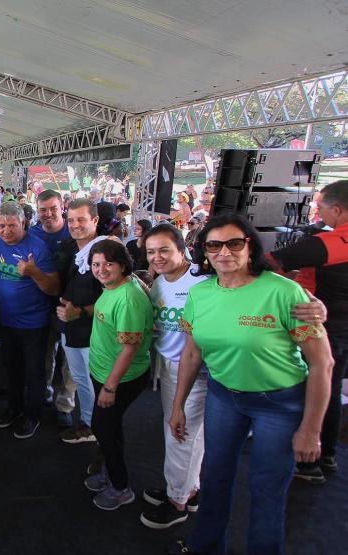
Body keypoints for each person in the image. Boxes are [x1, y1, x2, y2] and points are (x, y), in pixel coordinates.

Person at [168, 214, 333, 555]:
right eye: (214, 245)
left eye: (234, 243)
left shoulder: (284, 291)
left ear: (250, 246)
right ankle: (206, 546)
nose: (224, 252)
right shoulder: (200, 294)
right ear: (204, 251)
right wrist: (178, 405)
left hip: (280, 404)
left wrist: (311, 429)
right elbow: (191, 354)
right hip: (223, 396)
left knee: (266, 489)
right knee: (215, 479)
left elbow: (322, 363)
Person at [267, 179, 348, 484]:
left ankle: (308, 459)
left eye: (321, 208)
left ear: (337, 210)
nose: (317, 213)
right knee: (331, 387)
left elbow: (271, 262)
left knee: (312, 390)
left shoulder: (329, 244)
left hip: (323, 329)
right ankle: (325, 455)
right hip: (340, 328)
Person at [138, 225, 208, 529]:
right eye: (151, 252)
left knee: (182, 434)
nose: (157, 257)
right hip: (167, 366)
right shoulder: (159, 283)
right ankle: (186, 489)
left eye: (164, 250)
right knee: (179, 431)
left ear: (182, 249)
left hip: (194, 372)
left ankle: (178, 501)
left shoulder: (203, 281)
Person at [82, 240, 153, 511]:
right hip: (105, 371)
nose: (101, 270)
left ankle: (121, 487)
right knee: (110, 427)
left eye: (108, 264)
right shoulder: (117, 286)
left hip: (120, 378)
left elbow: (130, 348)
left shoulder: (128, 299)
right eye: (96, 264)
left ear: (122, 265)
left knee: (103, 428)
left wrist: (110, 387)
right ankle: (111, 472)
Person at [0, 201, 60, 439]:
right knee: (12, 369)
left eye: (12, 225)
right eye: (1, 225)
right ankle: (14, 408)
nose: (6, 230)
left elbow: (53, 288)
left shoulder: (37, 247)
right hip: (7, 322)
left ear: (23, 223)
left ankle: (33, 415)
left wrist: (34, 272)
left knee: (34, 372)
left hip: (33, 324)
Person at [55, 199, 104, 445]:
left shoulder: (106, 251)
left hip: (95, 333)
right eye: (71, 219)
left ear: (95, 221)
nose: (75, 225)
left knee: (96, 383)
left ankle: (101, 433)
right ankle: (88, 424)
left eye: (81, 219)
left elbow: (117, 298)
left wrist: (81, 312)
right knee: (81, 378)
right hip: (70, 328)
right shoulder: (69, 247)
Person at [29, 190, 75, 425]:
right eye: (43, 209)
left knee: (71, 360)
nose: (48, 214)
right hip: (41, 306)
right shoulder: (32, 234)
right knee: (45, 355)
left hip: (72, 306)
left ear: (62, 207)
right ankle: (45, 393)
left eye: (53, 208)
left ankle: (65, 404)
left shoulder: (74, 231)